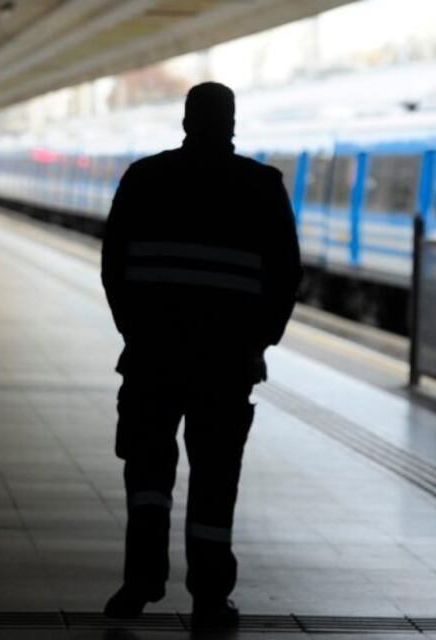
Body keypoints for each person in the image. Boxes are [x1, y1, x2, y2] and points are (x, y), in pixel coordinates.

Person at [100, 82, 302, 629]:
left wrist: (136, 332)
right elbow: (286, 276)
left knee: (147, 476)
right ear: (231, 123)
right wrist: (257, 343)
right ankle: (210, 595)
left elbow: (113, 265)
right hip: (226, 366)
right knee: (215, 478)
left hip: (152, 360)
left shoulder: (145, 179)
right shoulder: (262, 188)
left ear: (187, 120)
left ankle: (139, 583)